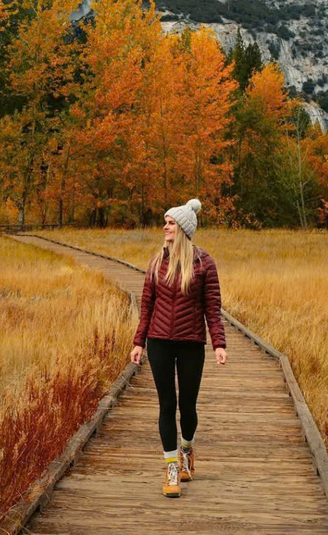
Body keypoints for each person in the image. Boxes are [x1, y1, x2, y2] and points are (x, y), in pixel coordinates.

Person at [130, 198, 227, 497]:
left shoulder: (204, 264)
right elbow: (147, 305)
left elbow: (213, 307)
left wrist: (218, 344)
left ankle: (187, 449)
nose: (165, 227)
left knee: (187, 406)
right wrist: (138, 341)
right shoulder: (157, 262)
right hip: (158, 341)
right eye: (165, 222)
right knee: (166, 405)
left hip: (191, 343)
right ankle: (172, 469)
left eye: (170, 223)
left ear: (183, 229)